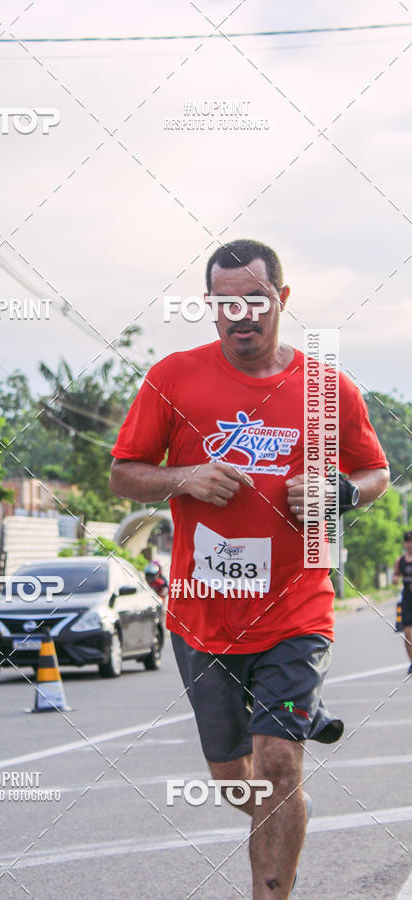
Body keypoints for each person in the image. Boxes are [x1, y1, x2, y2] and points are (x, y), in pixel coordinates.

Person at [109, 239, 389, 899]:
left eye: (255, 300)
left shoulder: (328, 389)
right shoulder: (172, 378)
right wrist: (184, 476)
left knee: (279, 764)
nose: (241, 314)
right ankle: (284, 813)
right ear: (210, 305)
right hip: (202, 614)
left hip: (296, 610)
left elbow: (373, 471)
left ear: (281, 301)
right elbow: (124, 472)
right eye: (225, 301)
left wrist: (339, 493)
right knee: (238, 778)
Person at [392, 531, 412, 674]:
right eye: (407, 541)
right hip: (407, 599)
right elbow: (396, 576)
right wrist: (395, 579)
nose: (410, 544)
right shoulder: (400, 561)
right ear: (404, 544)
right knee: (407, 632)